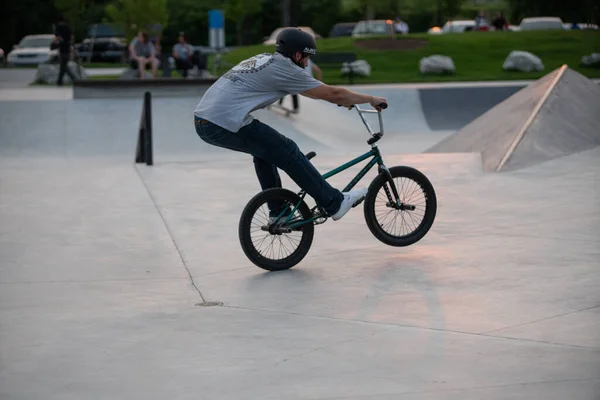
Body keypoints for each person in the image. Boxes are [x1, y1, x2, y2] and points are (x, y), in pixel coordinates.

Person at [193, 28, 387, 222]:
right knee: (288, 150)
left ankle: (278, 213)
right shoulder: (285, 69)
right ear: (296, 54)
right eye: (306, 57)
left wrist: (342, 100)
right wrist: (370, 98)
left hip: (205, 120)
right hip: (222, 122)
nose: (307, 63)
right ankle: (334, 203)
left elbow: (310, 91)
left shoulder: (265, 59)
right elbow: (332, 93)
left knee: (265, 153)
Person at [53, 17, 77, 86]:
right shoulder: (68, 28)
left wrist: (55, 43)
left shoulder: (58, 29)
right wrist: (73, 48)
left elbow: (58, 39)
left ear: (60, 22)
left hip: (62, 50)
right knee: (63, 66)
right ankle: (59, 82)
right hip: (68, 49)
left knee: (64, 67)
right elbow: (71, 38)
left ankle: (74, 79)